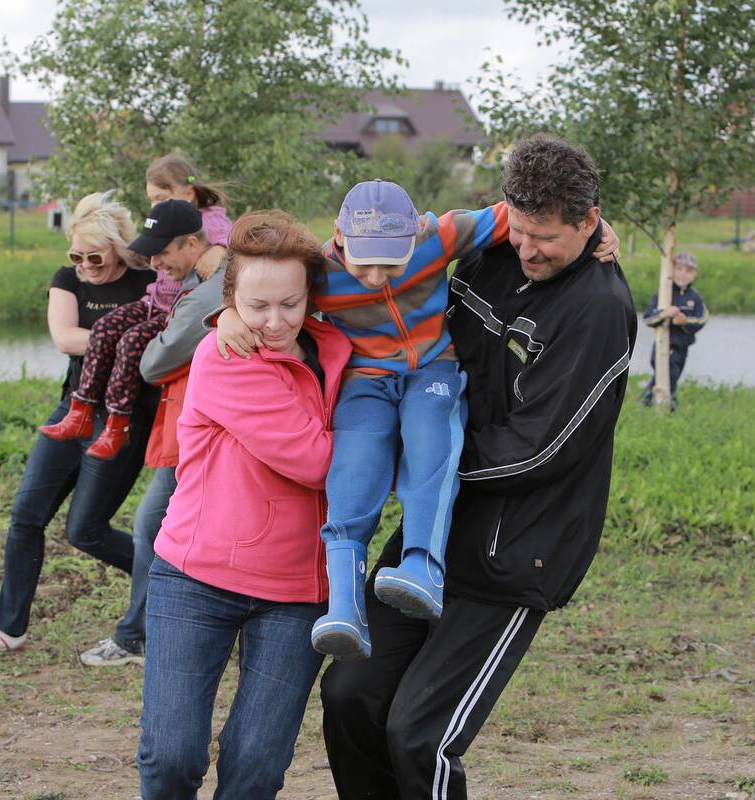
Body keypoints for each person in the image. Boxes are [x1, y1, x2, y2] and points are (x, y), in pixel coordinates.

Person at [319, 134, 637, 798]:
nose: (527, 249)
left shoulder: (598, 309)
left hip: (515, 550)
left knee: (420, 735)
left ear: (589, 221)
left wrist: (422, 463)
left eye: (545, 238)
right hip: (434, 530)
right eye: (519, 230)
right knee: (350, 695)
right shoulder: (491, 252)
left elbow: (543, 446)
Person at [216, 183, 619, 661]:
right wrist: (226, 314)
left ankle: (422, 567)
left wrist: (596, 227)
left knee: (431, 446)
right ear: (340, 236)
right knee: (353, 470)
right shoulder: (319, 268)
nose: (375, 277)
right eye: (364, 263)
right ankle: (345, 606)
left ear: (414, 236)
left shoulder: (437, 236)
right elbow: (262, 286)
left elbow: (520, 215)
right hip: (366, 380)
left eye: (392, 263)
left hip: (433, 369)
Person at [136, 210, 351, 799]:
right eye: (256, 306)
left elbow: (387, 262)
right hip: (196, 578)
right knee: (171, 756)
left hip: (298, 590)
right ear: (229, 297)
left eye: (290, 304)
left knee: (257, 766)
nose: (274, 322)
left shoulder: (343, 351)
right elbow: (317, 461)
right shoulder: (223, 354)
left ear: (312, 296)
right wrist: (377, 444)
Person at [0, 191, 160, 654]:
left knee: (86, 531)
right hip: (73, 408)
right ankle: (8, 629)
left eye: (95, 257)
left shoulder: (148, 282)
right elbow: (65, 337)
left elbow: (163, 342)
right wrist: (125, 339)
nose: (85, 265)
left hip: (122, 421)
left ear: (118, 250)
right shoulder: (68, 280)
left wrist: (126, 340)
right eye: (77, 256)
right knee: (26, 516)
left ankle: (173, 583)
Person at [78, 198, 228, 667]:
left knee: (158, 524)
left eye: (163, 251)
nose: (157, 262)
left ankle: (140, 637)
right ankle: (148, 632)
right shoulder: (200, 281)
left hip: (207, 432)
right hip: (200, 427)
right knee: (161, 525)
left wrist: (153, 341)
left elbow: (153, 363)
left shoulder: (205, 295)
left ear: (193, 243)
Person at [39, 154, 232, 460]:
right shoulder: (166, 218)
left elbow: (228, 239)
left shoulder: (208, 221)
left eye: (161, 197)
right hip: (153, 300)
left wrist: (218, 249)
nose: (155, 204)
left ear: (188, 192)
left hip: (171, 310)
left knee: (130, 342)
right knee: (105, 327)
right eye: (152, 199)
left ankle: (117, 424)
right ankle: (81, 409)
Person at [640, 251, 708, 409]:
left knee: (672, 376)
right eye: (679, 269)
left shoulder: (694, 297)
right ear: (671, 270)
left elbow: (702, 319)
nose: (683, 274)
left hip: (681, 348)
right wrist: (663, 314)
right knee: (667, 375)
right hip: (661, 346)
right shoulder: (663, 292)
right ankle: (667, 405)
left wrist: (685, 321)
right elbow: (647, 319)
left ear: (695, 274)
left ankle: (649, 402)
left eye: (688, 271)